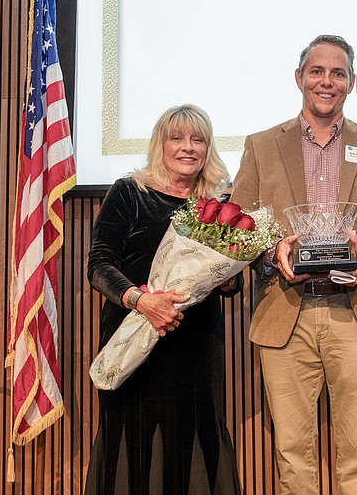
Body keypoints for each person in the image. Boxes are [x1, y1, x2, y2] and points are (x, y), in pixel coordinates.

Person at [230, 34, 357, 494]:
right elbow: (238, 224)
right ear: (299, 77)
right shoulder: (262, 145)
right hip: (285, 311)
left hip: (356, 312)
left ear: (351, 83)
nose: (327, 81)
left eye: (338, 73)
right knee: (293, 458)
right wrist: (272, 252)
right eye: (317, 71)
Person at [84, 104, 243, 495]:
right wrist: (142, 301)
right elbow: (99, 264)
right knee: (135, 442)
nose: (187, 147)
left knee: (194, 437)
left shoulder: (219, 204)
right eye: (177, 138)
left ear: (208, 148)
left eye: (197, 139)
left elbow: (232, 284)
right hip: (135, 338)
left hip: (196, 346)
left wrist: (222, 278)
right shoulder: (129, 192)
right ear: (161, 144)